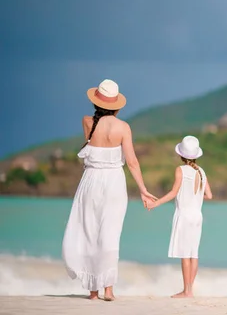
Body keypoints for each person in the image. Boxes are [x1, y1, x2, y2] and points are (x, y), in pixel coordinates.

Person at [62, 79, 157, 301]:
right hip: (114, 182)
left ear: (95, 101)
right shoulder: (123, 127)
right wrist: (143, 189)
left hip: (90, 181)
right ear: (118, 105)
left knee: (89, 232)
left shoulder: (87, 122)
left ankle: (92, 291)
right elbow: (132, 162)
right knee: (110, 233)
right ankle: (109, 289)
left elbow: (91, 143)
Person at [146, 135, 213, 298]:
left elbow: (173, 193)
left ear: (181, 154)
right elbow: (209, 195)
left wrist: (156, 203)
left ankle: (186, 291)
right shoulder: (202, 171)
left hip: (185, 215)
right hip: (197, 216)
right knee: (193, 253)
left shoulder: (180, 170)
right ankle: (190, 289)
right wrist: (194, 198)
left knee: (185, 254)